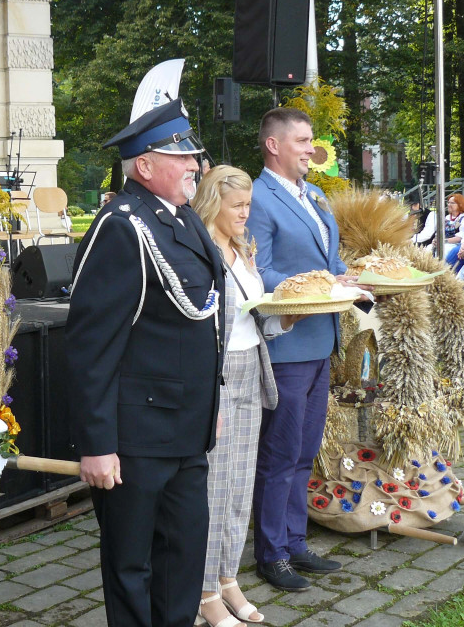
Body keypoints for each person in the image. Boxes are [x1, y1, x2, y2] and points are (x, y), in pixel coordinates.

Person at [66, 99, 224, 627]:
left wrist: (211, 406)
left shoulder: (182, 220)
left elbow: (203, 325)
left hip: (185, 430)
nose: (195, 167)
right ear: (145, 165)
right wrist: (98, 444)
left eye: (194, 156)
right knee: (132, 567)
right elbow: (91, 347)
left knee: (183, 557)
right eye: (181, 157)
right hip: (135, 435)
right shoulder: (123, 226)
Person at [246, 107, 356, 592]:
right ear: (274, 145)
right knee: (280, 451)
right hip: (287, 343)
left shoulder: (313, 195)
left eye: (311, 141)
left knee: (305, 450)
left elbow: (329, 261)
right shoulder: (257, 197)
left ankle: (294, 542)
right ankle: (270, 553)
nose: (312, 149)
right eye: (303, 141)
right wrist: (320, 284)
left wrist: (350, 279)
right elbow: (258, 272)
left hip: (321, 339)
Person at [191, 165, 299, 627]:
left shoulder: (242, 248)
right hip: (216, 377)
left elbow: (254, 319)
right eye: (238, 206)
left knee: (240, 487)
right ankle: (204, 590)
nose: (245, 214)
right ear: (213, 203)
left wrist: (287, 318)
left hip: (253, 369)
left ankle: (229, 577)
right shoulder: (198, 252)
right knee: (215, 489)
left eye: (248, 205)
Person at [440, 193, 464, 259]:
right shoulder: (446, 217)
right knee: (428, 248)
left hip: (456, 244)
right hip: (443, 242)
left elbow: (461, 238)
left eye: (452, 203)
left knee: (444, 250)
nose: (449, 205)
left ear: (460, 205)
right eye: (448, 203)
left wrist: (443, 241)